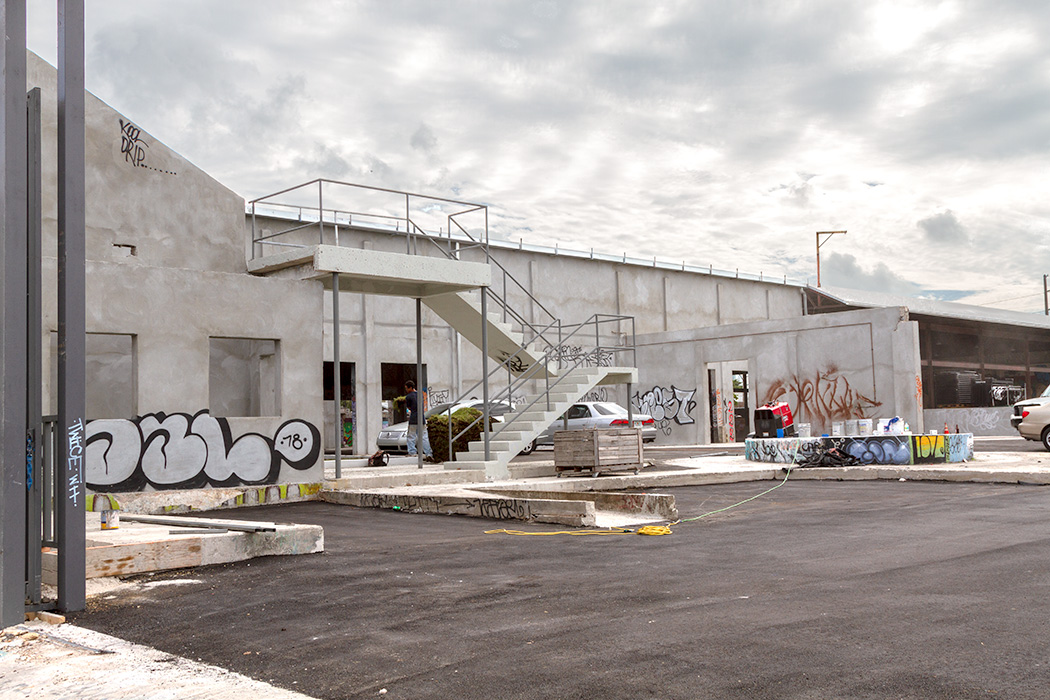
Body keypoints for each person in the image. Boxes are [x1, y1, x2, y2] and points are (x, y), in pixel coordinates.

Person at [404, 380, 433, 458]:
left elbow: (409, 408)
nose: (406, 390)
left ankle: (412, 452)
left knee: (411, 436)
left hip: (413, 419)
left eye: (407, 388)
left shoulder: (408, 397)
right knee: (424, 437)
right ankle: (428, 453)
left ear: (410, 387)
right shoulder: (420, 395)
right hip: (422, 419)